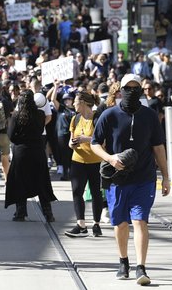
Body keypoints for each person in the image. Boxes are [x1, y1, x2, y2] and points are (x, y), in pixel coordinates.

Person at [91, 74, 170, 286]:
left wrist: (166, 176)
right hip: (117, 179)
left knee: (140, 220)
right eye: (129, 88)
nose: (132, 92)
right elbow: (94, 143)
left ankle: (141, 267)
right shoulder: (109, 115)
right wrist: (110, 158)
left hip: (144, 178)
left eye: (137, 88)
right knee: (120, 222)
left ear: (142, 91)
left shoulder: (150, 116)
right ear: (121, 90)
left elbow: (158, 147)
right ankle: (123, 261)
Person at [6, 89, 57, 222]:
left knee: (20, 182)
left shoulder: (16, 115)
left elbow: (11, 135)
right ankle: (48, 213)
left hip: (21, 152)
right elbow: (40, 130)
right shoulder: (40, 114)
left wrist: (20, 142)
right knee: (41, 182)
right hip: (37, 151)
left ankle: (20, 212)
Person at [65, 91, 104, 238]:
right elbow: (71, 140)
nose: (73, 104)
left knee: (95, 193)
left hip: (95, 161)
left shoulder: (97, 118)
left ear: (83, 103)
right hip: (78, 160)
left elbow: (102, 140)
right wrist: (72, 144)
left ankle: (96, 224)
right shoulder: (75, 119)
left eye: (75, 101)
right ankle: (81, 224)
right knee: (76, 191)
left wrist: (84, 139)